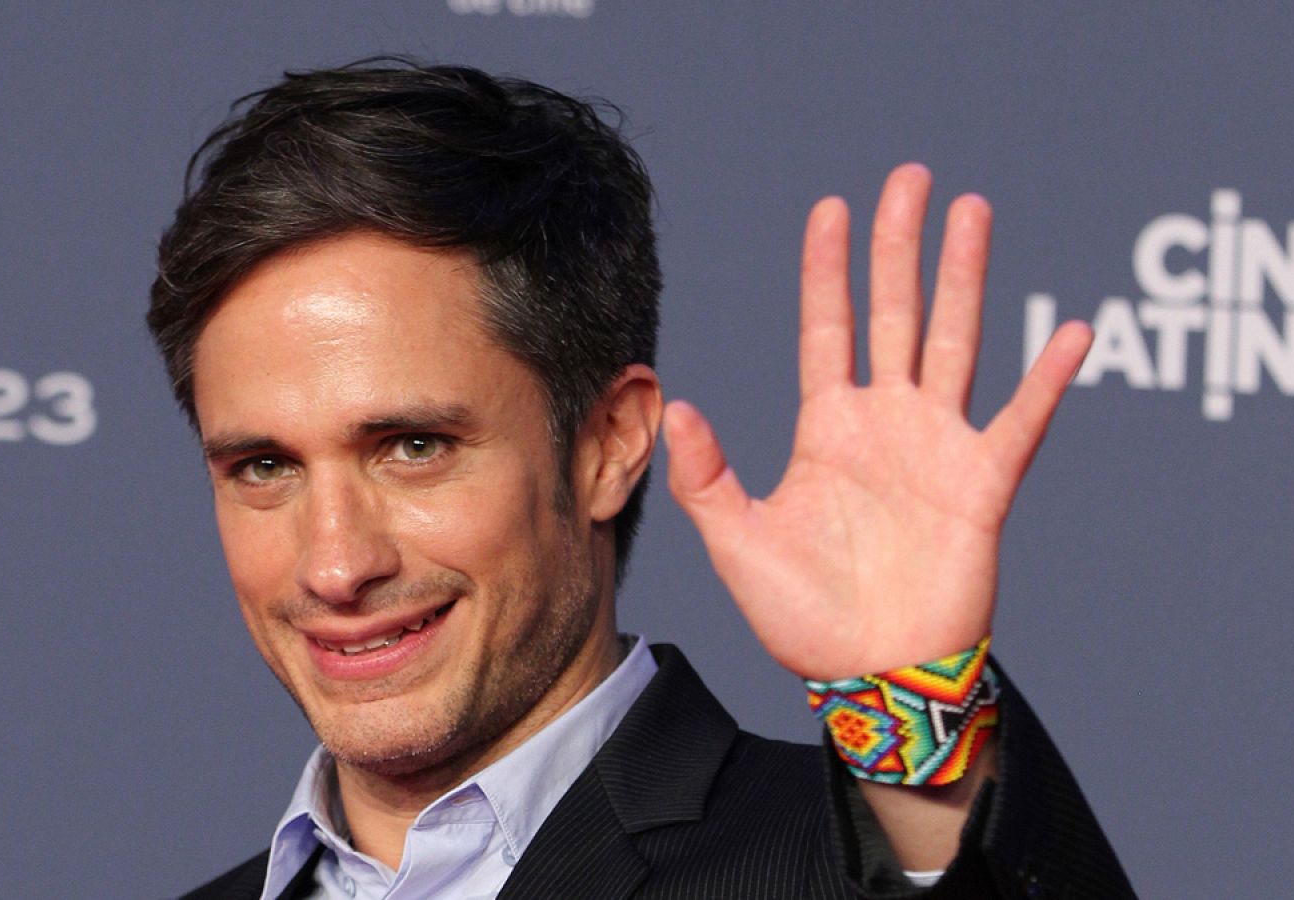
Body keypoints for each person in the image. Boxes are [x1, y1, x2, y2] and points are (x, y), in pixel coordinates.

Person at [149, 59, 1134, 899]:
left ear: (607, 444)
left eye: (413, 447)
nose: (333, 563)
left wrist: (913, 706)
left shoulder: (835, 867)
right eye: (264, 466)